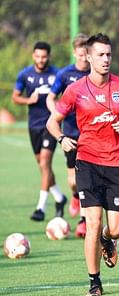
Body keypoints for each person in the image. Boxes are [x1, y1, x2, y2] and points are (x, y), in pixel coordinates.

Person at [46, 33, 119, 296]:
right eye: (100, 55)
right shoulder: (75, 90)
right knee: (92, 221)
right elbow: (52, 121)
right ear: (88, 57)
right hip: (87, 162)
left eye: (108, 55)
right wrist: (62, 138)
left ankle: (107, 239)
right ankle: (94, 280)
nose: (105, 59)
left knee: (115, 229)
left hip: (118, 164)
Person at [12, 41, 67, 221]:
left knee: (44, 163)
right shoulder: (25, 75)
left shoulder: (58, 74)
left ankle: (40, 208)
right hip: (33, 126)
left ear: (49, 57)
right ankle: (59, 198)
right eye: (38, 56)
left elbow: (67, 97)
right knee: (43, 166)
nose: (41, 60)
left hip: (51, 124)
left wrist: (60, 107)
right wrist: (29, 100)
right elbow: (15, 97)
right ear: (33, 56)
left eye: (44, 57)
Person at [46, 34, 90, 237]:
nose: (83, 58)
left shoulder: (95, 73)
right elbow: (51, 97)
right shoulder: (65, 75)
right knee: (73, 180)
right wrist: (56, 114)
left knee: (86, 178)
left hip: (91, 133)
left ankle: (83, 221)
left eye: (86, 54)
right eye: (80, 54)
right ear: (75, 53)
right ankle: (74, 196)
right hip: (70, 132)